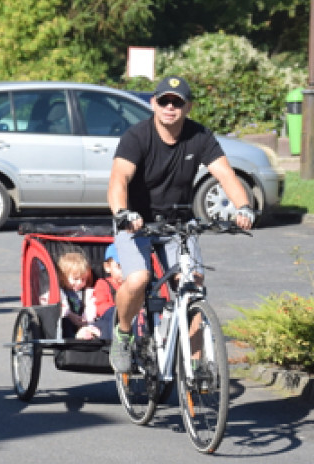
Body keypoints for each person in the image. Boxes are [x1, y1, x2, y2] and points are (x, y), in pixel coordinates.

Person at [107, 74, 255, 372]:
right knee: (138, 280)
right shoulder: (137, 136)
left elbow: (225, 174)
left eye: (177, 102)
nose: (170, 108)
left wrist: (244, 207)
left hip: (178, 225)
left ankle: (196, 368)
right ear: (154, 103)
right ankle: (123, 334)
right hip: (136, 222)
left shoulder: (199, 136)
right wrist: (123, 213)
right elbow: (118, 179)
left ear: (188, 107)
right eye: (164, 101)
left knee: (193, 286)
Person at [56, 251, 99, 339]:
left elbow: (91, 307)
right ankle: (74, 337)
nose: (79, 282)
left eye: (83, 279)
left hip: (84, 321)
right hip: (68, 319)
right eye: (75, 279)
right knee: (64, 321)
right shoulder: (60, 292)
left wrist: (86, 319)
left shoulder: (87, 293)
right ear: (63, 277)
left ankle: (87, 334)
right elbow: (61, 308)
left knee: (95, 323)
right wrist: (70, 315)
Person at [93, 245, 123, 341]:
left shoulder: (135, 285)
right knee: (111, 312)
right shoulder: (103, 284)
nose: (124, 271)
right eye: (119, 267)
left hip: (130, 320)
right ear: (107, 267)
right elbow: (101, 306)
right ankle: (110, 344)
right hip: (109, 320)